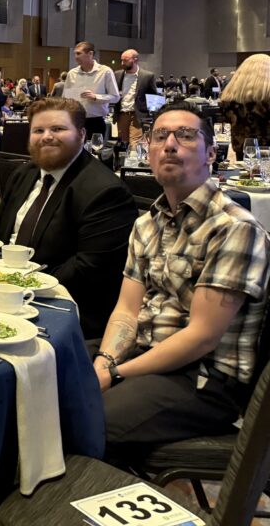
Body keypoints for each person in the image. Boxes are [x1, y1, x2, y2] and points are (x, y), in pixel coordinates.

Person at [95, 102, 269, 458]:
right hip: (145, 352)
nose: (170, 144)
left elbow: (201, 338)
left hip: (204, 379)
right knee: (38, 379)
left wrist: (115, 374)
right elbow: (127, 310)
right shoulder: (147, 224)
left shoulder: (234, 228)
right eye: (160, 136)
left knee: (80, 418)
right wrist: (104, 361)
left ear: (211, 154)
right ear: (149, 152)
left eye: (186, 136)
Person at [0, 98, 136, 339]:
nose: (46, 136)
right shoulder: (24, 174)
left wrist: (18, 287)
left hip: (61, 311)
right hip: (2, 295)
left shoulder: (105, 191)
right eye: (38, 130)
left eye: (58, 129)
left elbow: (87, 269)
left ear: (82, 134)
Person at [63, 41, 119, 140]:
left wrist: (96, 97)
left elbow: (115, 97)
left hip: (95, 121)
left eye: (79, 53)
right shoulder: (72, 73)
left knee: (94, 152)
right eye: (75, 54)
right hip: (76, 120)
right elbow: (65, 98)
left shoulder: (105, 71)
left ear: (90, 54)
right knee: (76, 153)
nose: (76, 56)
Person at [219, 53, 270, 161]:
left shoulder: (228, 101)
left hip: (242, 149)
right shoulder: (266, 100)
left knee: (246, 175)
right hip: (267, 150)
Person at [113, 49, 158, 147]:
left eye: (125, 60)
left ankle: (134, 162)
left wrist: (153, 117)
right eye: (121, 60)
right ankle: (122, 162)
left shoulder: (147, 76)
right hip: (122, 114)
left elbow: (154, 96)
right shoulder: (117, 74)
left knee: (136, 144)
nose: (122, 63)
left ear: (135, 60)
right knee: (122, 144)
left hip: (138, 115)